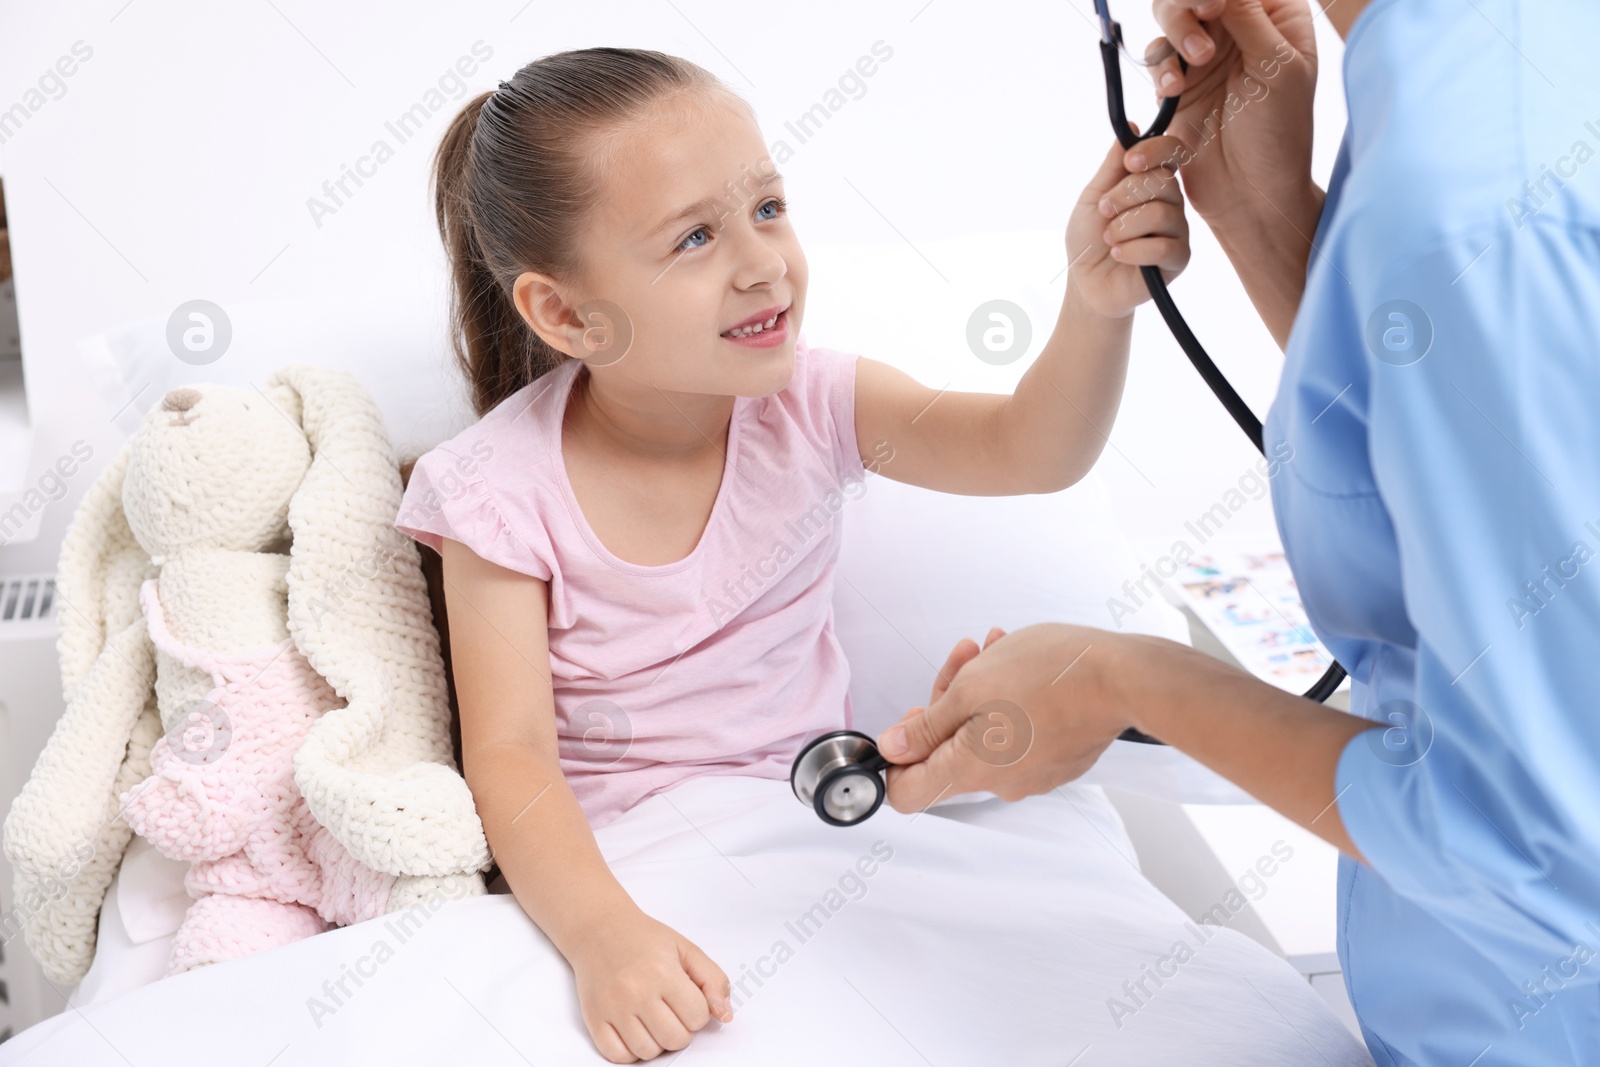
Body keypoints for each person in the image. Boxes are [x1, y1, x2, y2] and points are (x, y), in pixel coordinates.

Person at [392, 46, 1190, 1063]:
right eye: (694, 237)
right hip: (628, 869)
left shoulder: (814, 404)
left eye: (767, 206)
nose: (762, 260)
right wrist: (604, 937)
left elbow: (1029, 449)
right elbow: (509, 759)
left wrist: (1097, 301)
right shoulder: (493, 492)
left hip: (818, 824)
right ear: (563, 311)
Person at [874, 1, 1600, 1063]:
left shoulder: (1472, 199)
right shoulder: (1490, 68)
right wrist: (1264, 214)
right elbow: (1497, 449)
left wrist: (1118, 681)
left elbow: (1542, 848)